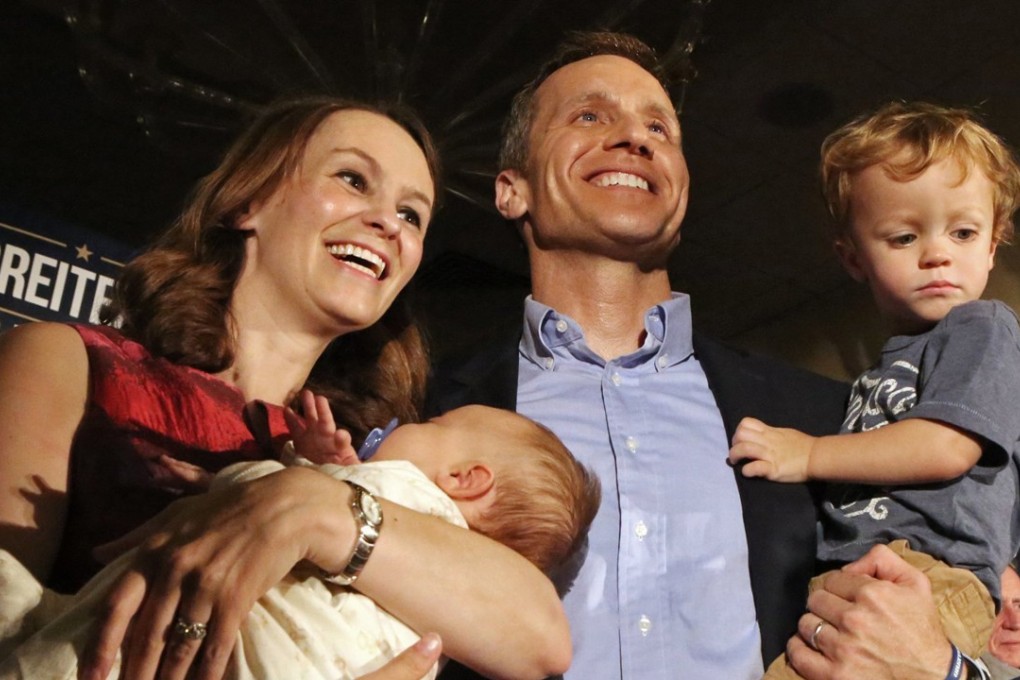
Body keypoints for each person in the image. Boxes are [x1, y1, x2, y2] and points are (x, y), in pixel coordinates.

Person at [428, 31, 996, 680]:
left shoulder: (833, 420)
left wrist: (945, 669)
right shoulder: (422, 411)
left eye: (659, 128)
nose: (634, 138)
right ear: (512, 190)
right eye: (589, 115)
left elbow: (969, 590)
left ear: (683, 187)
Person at [0, 95, 571, 680]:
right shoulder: (72, 364)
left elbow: (541, 639)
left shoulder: (374, 467)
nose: (386, 223)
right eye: (353, 179)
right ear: (248, 200)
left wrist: (311, 505)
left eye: (411, 215)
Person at [728, 101, 1020, 679]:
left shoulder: (982, 326)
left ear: (992, 245)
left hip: (927, 576)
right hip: (870, 574)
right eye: (904, 235)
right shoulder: (892, 363)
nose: (937, 253)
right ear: (854, 258)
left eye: (963, 231)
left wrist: (809, 454)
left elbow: (945, 447)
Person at [0, 400, 600, 679]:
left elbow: (264, 496)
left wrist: (254, 481)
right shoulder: (442, 588)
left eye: (434, 422)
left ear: (465, 481)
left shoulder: (410, 496)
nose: (401, 425)